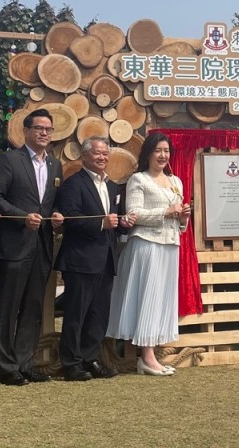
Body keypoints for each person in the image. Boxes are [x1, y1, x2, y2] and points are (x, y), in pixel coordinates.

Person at [0, 109, 65, 385]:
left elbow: (53, 201)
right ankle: (7, 368)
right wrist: (22, 217)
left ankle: (25, 362)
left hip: (43, 245)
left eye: (48, 129)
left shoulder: (55, 165)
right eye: (39, 128)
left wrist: (56, 216)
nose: (44, 133)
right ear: (26, 131)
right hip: (14, 245)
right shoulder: (9, 160)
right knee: (10, 307)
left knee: (32, 307)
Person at [107, 132, 190, 376]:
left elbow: (180, 222)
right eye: (158, 150)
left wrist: (182, 217)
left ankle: (151, 353)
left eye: (166, 151)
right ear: (148, 154)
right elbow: (134, 214)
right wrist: (166, 211)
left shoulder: (176, 182)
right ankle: (146, 356)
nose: (163, 155)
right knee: (148, 298)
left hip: (170, 244)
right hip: (147, 244)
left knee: (162, 299)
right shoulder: (139, 179)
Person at [55, 136, 134, 381]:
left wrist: (123, 223)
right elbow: (69, 219)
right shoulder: (73, 184)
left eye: (105, 154)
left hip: (106, 259)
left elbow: (115, 222)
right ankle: (71, 363)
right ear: (84, 157)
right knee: (76, 314)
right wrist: (101, 223)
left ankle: (91, 358)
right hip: (80, 259)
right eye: (97, 153)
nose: (102, 158)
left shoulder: (111, 187)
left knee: (98, 314)